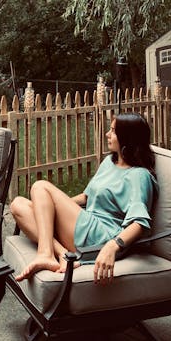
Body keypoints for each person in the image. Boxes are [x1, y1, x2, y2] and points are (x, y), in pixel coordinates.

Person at [10, 112, 158, 285]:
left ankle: (45, 253)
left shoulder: (139, 176)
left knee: (40, 186)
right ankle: (61, 254)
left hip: (102, 237)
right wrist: (45, 207)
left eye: (113, 131)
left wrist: (112, 246)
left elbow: (139, 223)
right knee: (18, 204)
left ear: (128, 139)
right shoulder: (109, 162)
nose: (107, 134)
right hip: (86, 223)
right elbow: (86, 197)